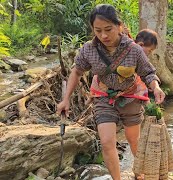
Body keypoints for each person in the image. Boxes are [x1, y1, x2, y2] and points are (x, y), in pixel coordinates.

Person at [56, 4, 165, 180]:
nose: (103, 35)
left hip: (130, 98)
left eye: (108, 29)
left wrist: (156, 87)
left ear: (119, 26)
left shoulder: (133, 49)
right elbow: (76, 71)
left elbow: (148, 72)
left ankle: (141, 174)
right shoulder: (89, 50)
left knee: (134, 140)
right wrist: (66, 99)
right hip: (104, 97)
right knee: (107, 143)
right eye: (98, 30)